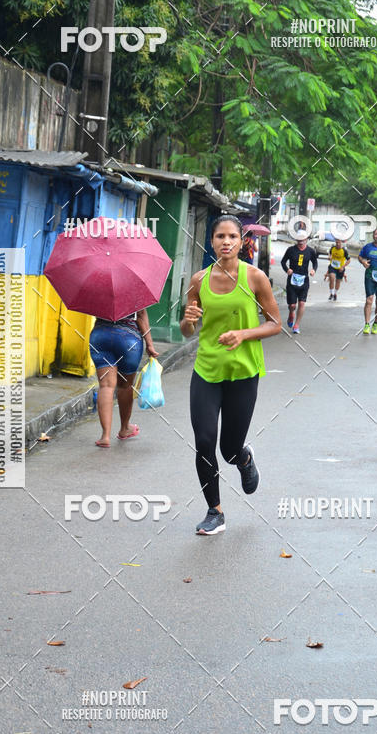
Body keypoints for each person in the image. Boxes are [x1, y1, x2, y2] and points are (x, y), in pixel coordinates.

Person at [181, 215, 281, 536]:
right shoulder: (198, 280)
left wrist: (244, 334)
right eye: (220, 236)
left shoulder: (255, 278)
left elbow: (275, 323)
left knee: (229, 448)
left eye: (232, 236)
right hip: (207, 371)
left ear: (241, 241)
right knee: (205, 441)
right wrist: (188, 318)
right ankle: (215, 511)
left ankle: (244, 459)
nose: (226, 241)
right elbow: (187, 331)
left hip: (243, 372)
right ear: (211, 242)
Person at [89, 310, 158, 447]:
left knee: (106, 385)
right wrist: (149, 344)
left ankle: (105, 436)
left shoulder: (97, 288)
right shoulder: (135, 288)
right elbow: (141, 315)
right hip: (128, 338)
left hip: (100, 336)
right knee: (125, 386)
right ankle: (125, 428)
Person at [280, 236, 318, 333]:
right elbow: (283, 262)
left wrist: (314, 270)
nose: (301, 242)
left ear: (306, 240)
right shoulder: (291, 250)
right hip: (292, 280)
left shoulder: (310, 251)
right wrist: (287, 270)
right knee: (292, 305)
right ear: (296, 240)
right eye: (299, 240)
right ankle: (291, 313)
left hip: (304, 280)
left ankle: (296, 325)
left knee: (301, 303)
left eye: (303, 240)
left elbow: (315, 262)